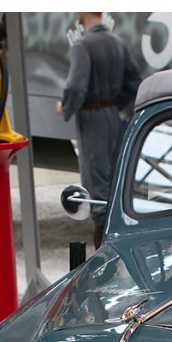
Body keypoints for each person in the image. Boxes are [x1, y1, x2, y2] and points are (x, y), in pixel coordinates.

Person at [58, 13, 142, 247]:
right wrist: (115, 103)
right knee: (115, 178)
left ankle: (104, 248)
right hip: (113, 116)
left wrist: (65, 106)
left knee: (96, 185)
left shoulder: (82, 46)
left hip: (91, 119)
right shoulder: (119, 43)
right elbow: (135, 82)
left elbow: (75, 86)